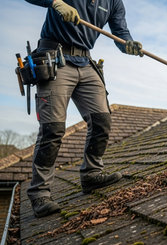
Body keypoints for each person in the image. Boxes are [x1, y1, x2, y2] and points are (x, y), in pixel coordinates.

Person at [25, 0, 143, 218]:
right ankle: (39, 192)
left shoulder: (114, 2)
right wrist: (55, 2)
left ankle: (91, 174)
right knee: (53, 129)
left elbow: (120, 31)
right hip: (55, 58)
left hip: (85, 61)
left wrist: (128, 43)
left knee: (102, 120)